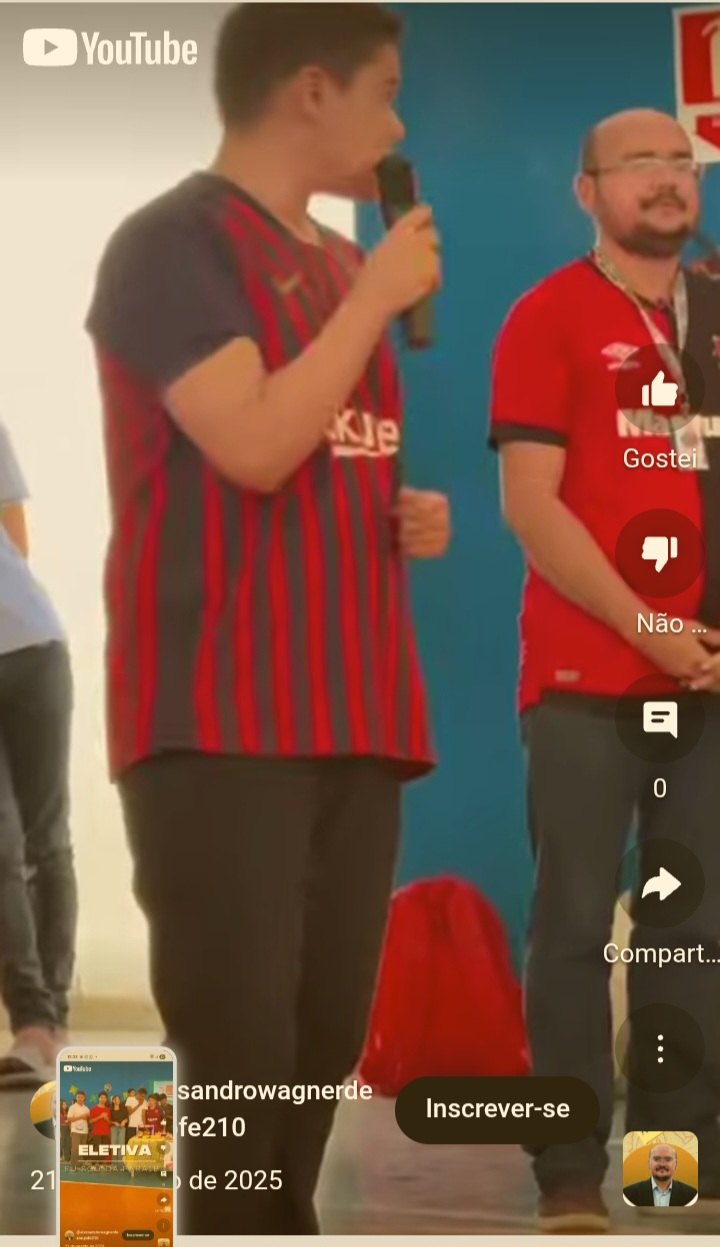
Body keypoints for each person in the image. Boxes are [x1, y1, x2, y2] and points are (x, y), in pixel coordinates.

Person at [85, 3, 449, 1235]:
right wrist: (373, 302)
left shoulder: (349, 270)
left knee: (315, 1048)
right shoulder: (172, 242)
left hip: (358, 708)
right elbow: (249, 443)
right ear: (311, 89)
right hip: (219, 714)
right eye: (385, 91)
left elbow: (326, 439)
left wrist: (405, 511)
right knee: (234, 1061)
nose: (398, 125)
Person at [490, 107, 720, 1232]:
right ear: (588, 190)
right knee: (578, 924)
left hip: (706, 686)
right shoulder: (549, 316)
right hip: (588, 680)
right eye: (640, 163)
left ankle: (676, 1157)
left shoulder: (716, 310)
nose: (668, 178)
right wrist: (648, 624)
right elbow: (531, 507)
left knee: (694, 929)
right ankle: (570, 1170)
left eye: (682, 160)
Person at [0, 422, 77, 1086]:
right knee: (2, 846)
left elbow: (14, 542)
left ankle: (52, 1029)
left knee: (46, 841)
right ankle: (31, 1021)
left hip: (34, 648)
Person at [624, 1144, 698, 1207]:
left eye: (668, 1160)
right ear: (648, 1164)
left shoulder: (691, 1194)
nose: (662, 1164)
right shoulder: (628, 1194)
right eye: (656, 1159)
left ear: (676, 1164)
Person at [67, 1090, 90, 1168]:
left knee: (82, 1148)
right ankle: (73, 1165)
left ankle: (80, 1163)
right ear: (76, 1098)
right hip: (75, 1131)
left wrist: (87, 1118)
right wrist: (80, 1117)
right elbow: (69, 1119)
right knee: (75, 1148)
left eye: (81, 1097)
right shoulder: (72, 1107)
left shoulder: (86, 1108)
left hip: (85, 1131)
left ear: (84, 1098)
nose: (80, 1098)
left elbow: (88, 1120)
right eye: (78, 1097)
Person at [88, 1091, 112, 1162]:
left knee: (104, 1148)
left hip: (105, 1132)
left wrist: (107, 1119)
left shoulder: (107, 1110)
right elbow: (90, 1121)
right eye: (101, 1097)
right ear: (99, 1098)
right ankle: (94, 1163)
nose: (103, 1099)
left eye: (104, 1098)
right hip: (97, 1132)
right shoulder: (94, 1108)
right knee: (97, 1148)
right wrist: (100, 1117)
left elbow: (109, 1123)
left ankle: (101, 1163)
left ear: (106, 1099)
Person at [59, 1098, 71, 1162]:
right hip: (61, 1128)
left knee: (67, 1143)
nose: (65, 1105)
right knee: (61, 1143)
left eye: (66, 1104)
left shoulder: (67, 1111)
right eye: (63, 1104)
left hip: (67, 1128)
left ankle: (67, 1157)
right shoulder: (58, 1112)